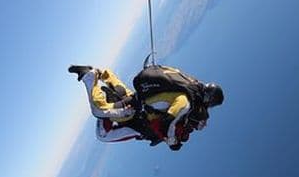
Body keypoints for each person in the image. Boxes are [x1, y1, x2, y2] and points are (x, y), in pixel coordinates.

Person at [68, 64, 223, 150]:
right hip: (137, 112)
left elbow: (165, 71)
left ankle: (104, 74)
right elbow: (168, 121)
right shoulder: (186, 102)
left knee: (126, 97)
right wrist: (172, 141)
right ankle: (90, 77)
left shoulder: (188, 83)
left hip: (140, 103)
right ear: (208, 101)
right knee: (102, 126)